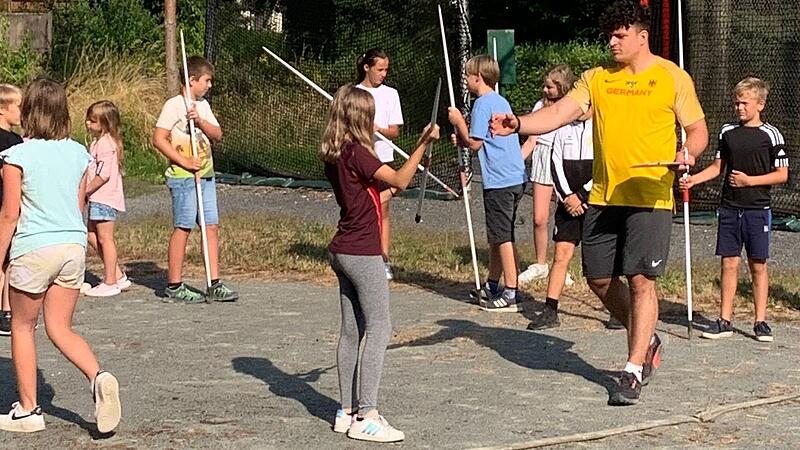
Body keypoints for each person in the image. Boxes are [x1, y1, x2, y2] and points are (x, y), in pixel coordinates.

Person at [491, 0, 708, 405]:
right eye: (609, 34)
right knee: (599, 281)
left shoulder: (672, 78)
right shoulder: (596, 78)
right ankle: (648, 338)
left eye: (619, 35)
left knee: (641, 280)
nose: (611, 41)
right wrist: (518, 123)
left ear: (642, 37)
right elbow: (556, 114)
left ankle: (631, 370)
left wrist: (688, 154)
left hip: (651, 197)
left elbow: (697, 130)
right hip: (603, 198)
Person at [0, 79, 121, 433]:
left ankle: (28, 409)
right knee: (60, 327)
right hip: (72, 247)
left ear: (27, 113)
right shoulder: (78, 153)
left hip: (34, 247)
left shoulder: (16, 155)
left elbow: (10, 214)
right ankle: (98, 377)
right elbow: (79, 202)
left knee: (23, 326)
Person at [322, 84, 438, 442]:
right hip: (361, 252)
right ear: (361, 117)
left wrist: (414, 165)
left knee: (352, 331)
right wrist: (420, 144)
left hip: (342, 248)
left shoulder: (337, 153)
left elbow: (379, 192)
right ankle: (367, 414)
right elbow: (399, 177)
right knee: (380, 328)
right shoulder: (359, 153)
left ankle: (347, 411)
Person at [681, 77, 787, 343]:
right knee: (729, 262)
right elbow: (718, 168)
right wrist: (694, 179)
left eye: (744, 103)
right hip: (729, 208)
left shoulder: (772, 135)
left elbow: (782, 174)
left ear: (760, 104)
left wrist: (750, 181)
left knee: (758, 264)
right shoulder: (727, 131)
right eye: (736, 103)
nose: (739, 108)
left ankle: (760, 321)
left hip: (757, 208)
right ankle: (724, 319)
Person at [153, 55, 238, 303]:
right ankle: (174, 284)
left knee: (210, 226)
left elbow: (218, 134)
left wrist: (199, 121)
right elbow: (158, 138)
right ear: (192, 80)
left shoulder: (202, 106)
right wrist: (183, 162)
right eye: (206, 80)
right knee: (184, 227)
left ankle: (214, 282)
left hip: (206, 176)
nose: (210, 85)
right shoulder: (174, 105)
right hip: (184, 177)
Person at [449, 55, 527, 312]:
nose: (466, 81)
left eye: (468, 76)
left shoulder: (483, 103)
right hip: (514, 176)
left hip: (500, 179)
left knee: (502, 236)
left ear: (477, 78)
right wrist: (462, 137)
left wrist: (460, 122)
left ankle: (511, 292)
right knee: (497, 234)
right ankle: (493, 284)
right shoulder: (500, 99)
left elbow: (475, 143)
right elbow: (478, 139)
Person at [526, 107, 594, 329]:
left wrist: (584, 196)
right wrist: (568, 197)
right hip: (568, 202)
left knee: (602, 257)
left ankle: (615, 310)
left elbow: (607, 166)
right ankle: (550, 309)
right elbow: (554, 165)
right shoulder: (562, 128)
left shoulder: (603, 127)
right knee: (561, 254)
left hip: (595, 200)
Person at [518, 65, 576, 283]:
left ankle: (562, 266)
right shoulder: (540, 106)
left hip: (563, 160)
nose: (545, 90)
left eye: (550, 87)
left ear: (562, 88)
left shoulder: (571, 108)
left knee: (565, 217)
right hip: (542, 158)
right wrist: (515, 163)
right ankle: (540, 264)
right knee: (539, 218)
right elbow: (532, 139)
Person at [355, 48, 404, 280]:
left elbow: (394, 131)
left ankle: (384, 259)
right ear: (367, 67)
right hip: (360, 158)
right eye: (379, 69)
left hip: (383, 157)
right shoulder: (353, 94)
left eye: (386, 70)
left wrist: (378, 129)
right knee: (362, 208)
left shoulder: (391, 94)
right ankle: (362, 256)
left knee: (383, 208)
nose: (383, 74)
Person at [83, 100, 130, 297]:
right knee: (91, 236)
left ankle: (110, 281)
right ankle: (117, 274)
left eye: (93, 121)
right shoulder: (97, 142)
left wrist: (85, 190)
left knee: (105, 238)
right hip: (97, 198)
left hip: (104, 197)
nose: (88, 124)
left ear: (105, 123)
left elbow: (103, 175)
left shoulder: (106, 145)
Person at [0, 84, 22, 336]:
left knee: (9, 260)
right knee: (6, 259)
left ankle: (6, 309)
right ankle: (4, 311)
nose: (21, 111)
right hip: (6, 202)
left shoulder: (18, 139)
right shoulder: (10, 143)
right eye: (17, 106)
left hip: (8, 202)